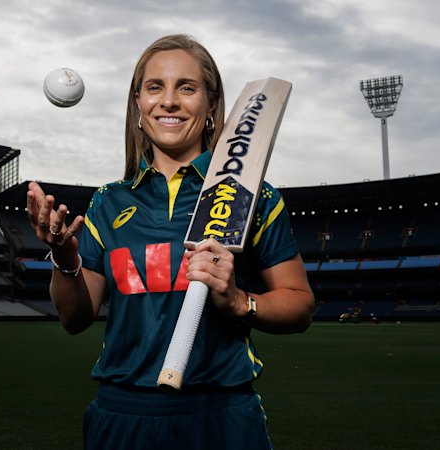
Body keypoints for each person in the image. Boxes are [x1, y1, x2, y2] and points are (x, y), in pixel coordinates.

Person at [27, 33, 314, 450]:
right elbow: (74, 319)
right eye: (155, 87)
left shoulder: (253, 196)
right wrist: (64, 258)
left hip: (221, 415)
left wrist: (238, 302)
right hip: (122, 416)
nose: (169, 101)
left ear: (211, 105)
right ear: (138, 103)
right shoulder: (108, 202)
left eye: (187, 88)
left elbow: (300, 305)